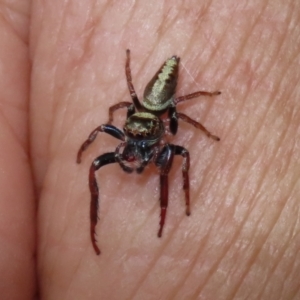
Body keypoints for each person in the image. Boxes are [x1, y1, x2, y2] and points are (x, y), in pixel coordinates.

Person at [1, 1, 299, 299]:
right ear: (128, 126)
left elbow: (176, 115)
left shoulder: (168, 120)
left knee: (180, 148)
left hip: (160, 103)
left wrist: (206, 121)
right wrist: (92, 141)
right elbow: (114, 112)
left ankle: (168, 208)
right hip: (146, 107)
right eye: (131, 139)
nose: (136, 150)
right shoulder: (129, 127)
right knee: (96, 162)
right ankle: (99, 220)